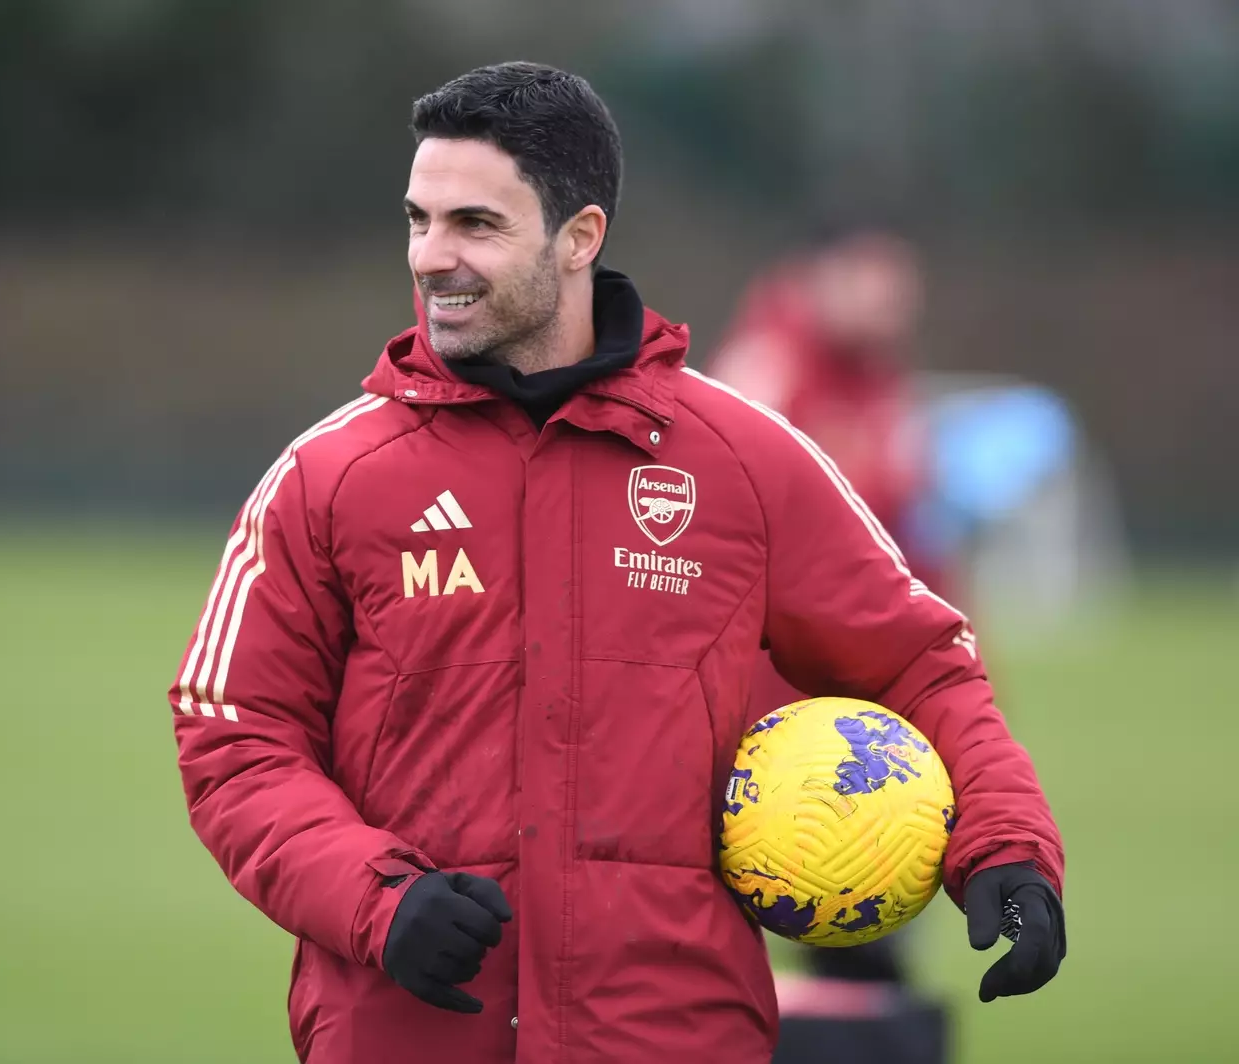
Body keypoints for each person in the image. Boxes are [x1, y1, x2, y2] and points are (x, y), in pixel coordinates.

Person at [167, 62, 1066, 1064]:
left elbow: (921, 659)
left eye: (476, 224)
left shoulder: (744, 460)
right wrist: (376, 894)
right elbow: (234, 734)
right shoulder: (326, 476)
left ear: (580, 236)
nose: (432, 256)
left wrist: (1007, 845)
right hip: (408, 1037)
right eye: (419, 220)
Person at [705, 222, 949, 993]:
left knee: (864, 950)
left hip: (866, 713)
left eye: (898, 288)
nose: (890, 304)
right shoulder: (763, 375)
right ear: (816, 278)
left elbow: (915, 546)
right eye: (870, 282)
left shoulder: (884, 388)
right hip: (774, 728)